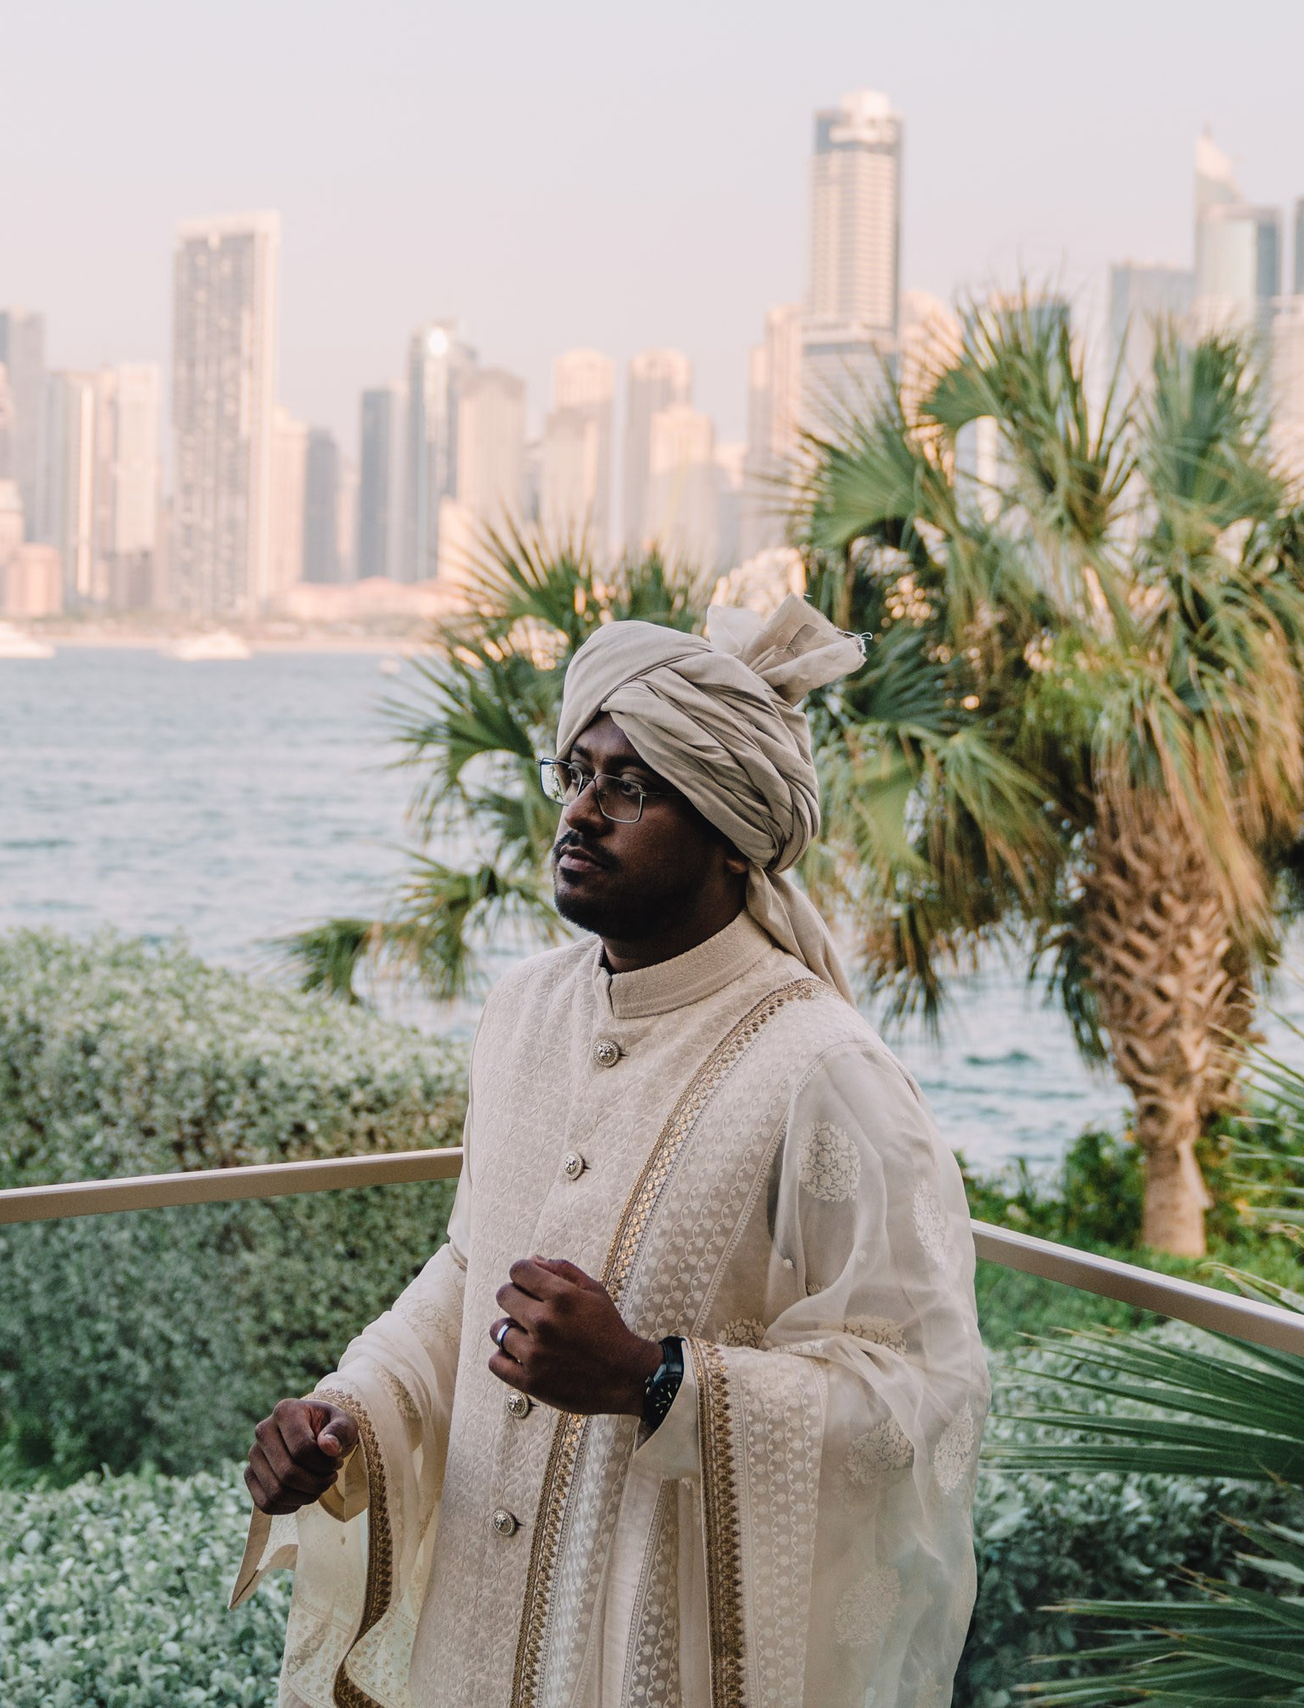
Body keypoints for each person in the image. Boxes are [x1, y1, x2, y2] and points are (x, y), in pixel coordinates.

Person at [234, 596, 987, 1708]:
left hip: (648, 1646)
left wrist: (654, 1378)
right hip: (475, 1641)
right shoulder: (524, 1012)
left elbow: (922, 1395)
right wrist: (348, 1408)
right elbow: (466, 1270)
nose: (580, 812)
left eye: (628, 786)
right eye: (575, 774)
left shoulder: (823, 1069)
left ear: (732, 838)